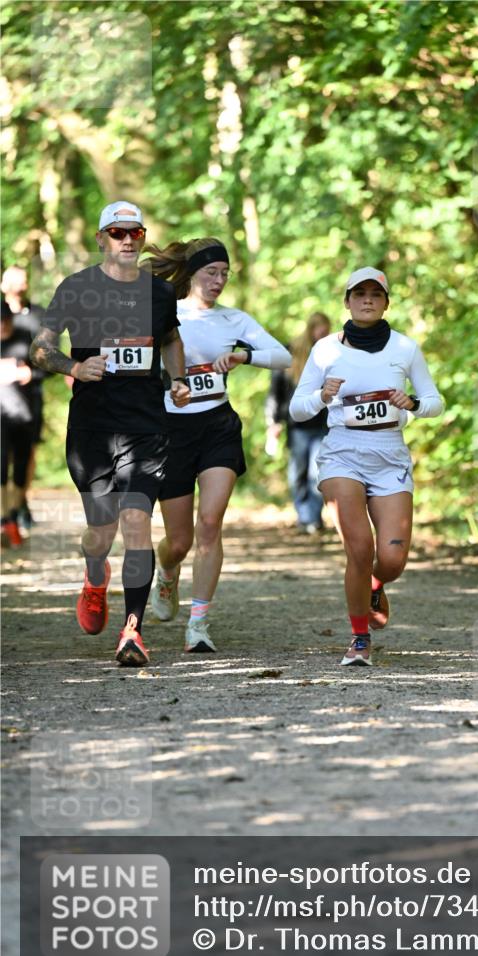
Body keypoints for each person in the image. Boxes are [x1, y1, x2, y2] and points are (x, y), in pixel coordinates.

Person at [30, 201, 191, 666]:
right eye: (117, 232)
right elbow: (41, 350)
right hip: (93, 430)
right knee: (101, 532)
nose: (126, 240)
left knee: (137, 522)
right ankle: (94, 574)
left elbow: (171, 339)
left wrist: (177, 381)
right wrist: (75, 366)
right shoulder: (77, 288)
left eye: (134, 233)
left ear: (141, 239)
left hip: (146, 427)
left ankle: (132, 631)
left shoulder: (160, 294)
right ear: (101, 238)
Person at [289, 266, 443, 666]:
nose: (368, 300)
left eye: (376, 293)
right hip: (342, 452)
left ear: (387, 301)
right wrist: (322, 396)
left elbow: (435, 401)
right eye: (360, 294)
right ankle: (359, 638)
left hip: (389, 453)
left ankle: (376, 583)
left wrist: (413, 404)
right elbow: (297, 408)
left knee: (391, 559)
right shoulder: (325, 349)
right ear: (347, 301)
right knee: (359, 548)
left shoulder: (405, 348)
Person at [143, 238, 291, 654]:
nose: (219, 280)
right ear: (192, 273)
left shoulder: (234, 319)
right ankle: (167, 573)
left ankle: (199, 623)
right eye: (212, 272)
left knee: (211, 522)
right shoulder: (165, 312)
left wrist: (245, 357)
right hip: (170, 430)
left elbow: (282, 356)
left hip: (218, 426)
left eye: (225, 273)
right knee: (178, 541)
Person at [265, 312, 331, 533]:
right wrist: (273, 421)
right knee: (298, 473)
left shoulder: (330, 354)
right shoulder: (291, 352)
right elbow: (276, 390)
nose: (324, 334)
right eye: (321, 330)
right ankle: (304, 515)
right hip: (297, 425)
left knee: (316, 472)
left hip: (322, 424)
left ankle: (313, 517)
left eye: (327, 330)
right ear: (311, 328)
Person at [1, 265, 47, 529]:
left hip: (28, 398)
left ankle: (20, 504)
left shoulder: (37, 315)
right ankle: (7, 511)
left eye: (23, 279)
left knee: (25, 452)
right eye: (13, 280)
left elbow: (47, 357)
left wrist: (31, 373)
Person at [1, 297, 34, 547]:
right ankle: (4, 520)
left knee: (20, 469)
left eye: (5, 322)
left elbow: (44, 365)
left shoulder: (24, 338)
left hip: (23, 414)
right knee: (1, 468)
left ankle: (12, 515)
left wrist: (29, 373)